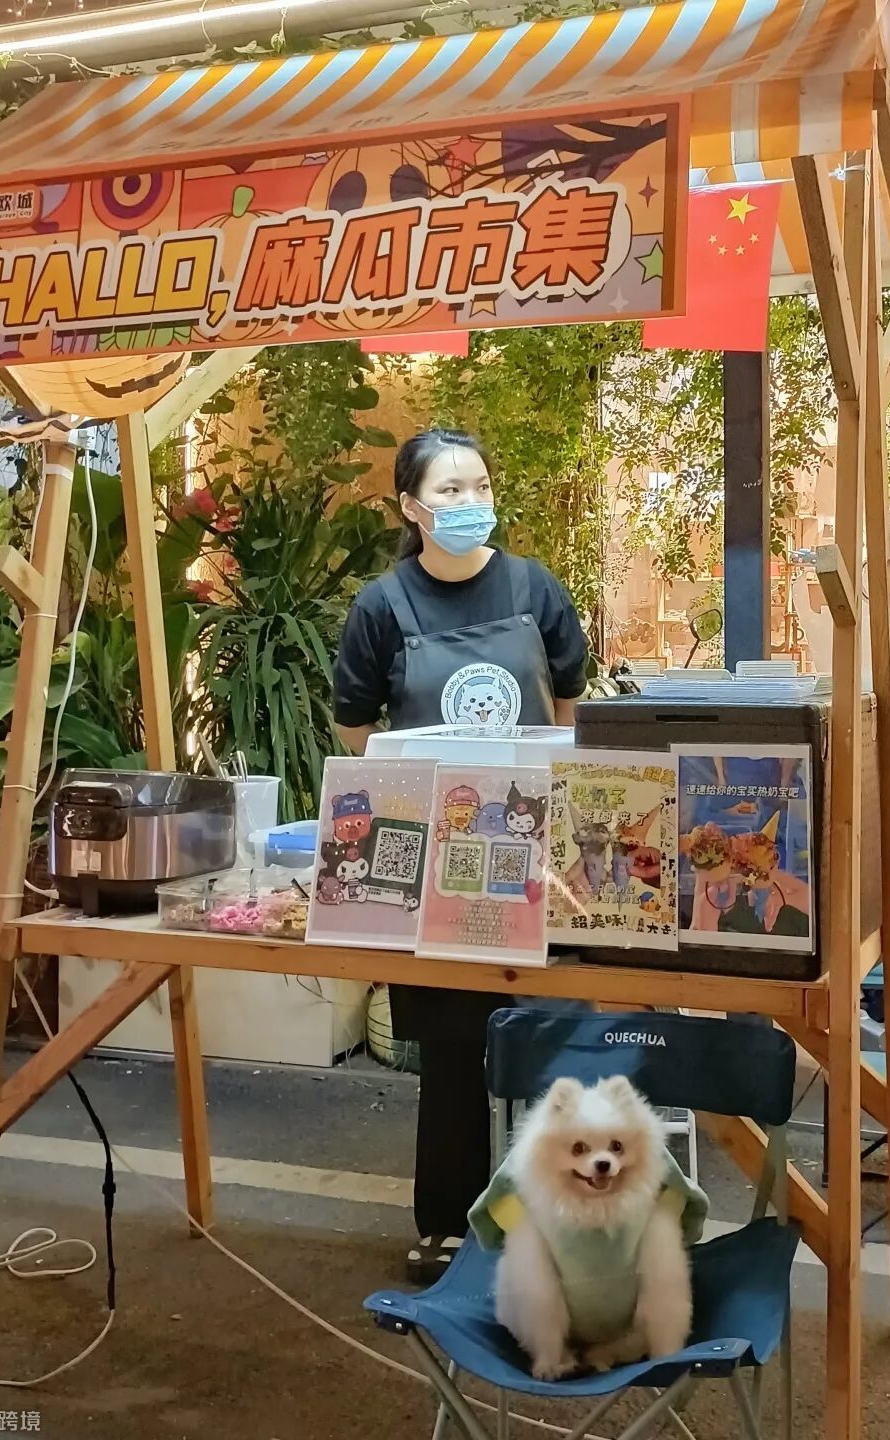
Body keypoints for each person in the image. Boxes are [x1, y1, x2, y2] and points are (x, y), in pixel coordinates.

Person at [334, 427, 588, 1284]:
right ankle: (448, 1224)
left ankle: (561, 1221)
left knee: (550, 1037)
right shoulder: (381, 607)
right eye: (449, 491)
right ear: (411, 507)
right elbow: (356, 732)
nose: (470, 502)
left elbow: (570, 707)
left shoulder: (533, 587)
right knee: (450, 1050)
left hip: (538, 852)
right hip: (441, 863)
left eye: (479, 485)